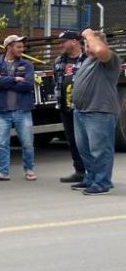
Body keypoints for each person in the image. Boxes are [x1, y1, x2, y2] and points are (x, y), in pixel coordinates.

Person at [71, 28, 121, 195]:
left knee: (100, 150)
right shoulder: (88, 60)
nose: (88, 47)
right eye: (85, 44)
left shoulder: (109, 59)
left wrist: (89, 34)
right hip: (82, 111)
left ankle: (102, 183)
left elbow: (100, 50)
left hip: (99, 111)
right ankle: (91, 178)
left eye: (90, 44)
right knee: (85, 150)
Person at [0, 34, 36, 182]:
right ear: (9, 47)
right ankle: (3, 172)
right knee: (2, 143)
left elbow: (28, 85)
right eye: (18, 46)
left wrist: (4, 81)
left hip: (22, 110)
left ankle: (29, 170)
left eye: (22, 46)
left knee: (27, 143)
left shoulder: (27, 65)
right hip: (2, 111)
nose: (22, 49)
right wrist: (15, 79)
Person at [53, 31, 87, 183]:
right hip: (65, 107)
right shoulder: (60, 60)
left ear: (74, 41)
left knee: (86, 142)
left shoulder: (88, 59)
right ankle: (79, 171)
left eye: (63, 42)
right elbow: (57, 80)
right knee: (72, 141)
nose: (60, 45)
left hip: (83, 108)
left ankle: (93, 173)